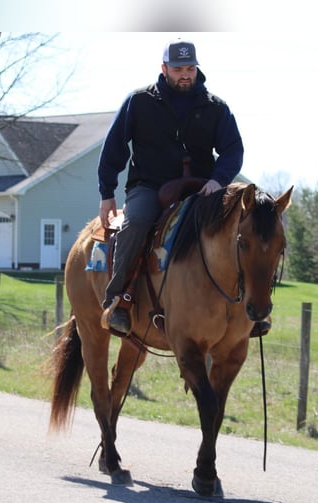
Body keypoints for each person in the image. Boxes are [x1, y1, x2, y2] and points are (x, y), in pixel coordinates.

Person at [97, 38, 245, 334]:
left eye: (190, 68)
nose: (185, 74)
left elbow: (233, 150)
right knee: (137, 223)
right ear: (164, 69)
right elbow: (114, 147)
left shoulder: (215, 107)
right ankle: (119, 301)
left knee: (241, 228)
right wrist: (107, 193)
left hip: (203, 189)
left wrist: (218, 181)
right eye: (178, 69)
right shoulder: (139, 101)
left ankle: (248, 309)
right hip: (150, 187)